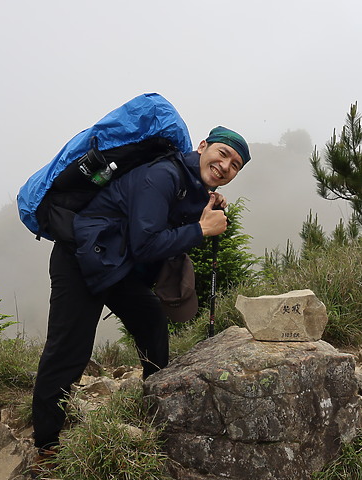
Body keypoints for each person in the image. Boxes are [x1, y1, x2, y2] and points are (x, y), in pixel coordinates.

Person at [31, 126, 251, 457]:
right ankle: (46, 443)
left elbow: (169, 216)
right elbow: (146, 243)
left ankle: (157, 407)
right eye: (222, 154)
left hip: (113, 264)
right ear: (202, 146)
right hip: (80, 257)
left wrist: (207, 205)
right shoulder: (163, 174)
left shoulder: (191, 184)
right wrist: (202, 228)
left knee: (150, 319)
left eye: (235, 165)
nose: (225, 166)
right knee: (69, 350)